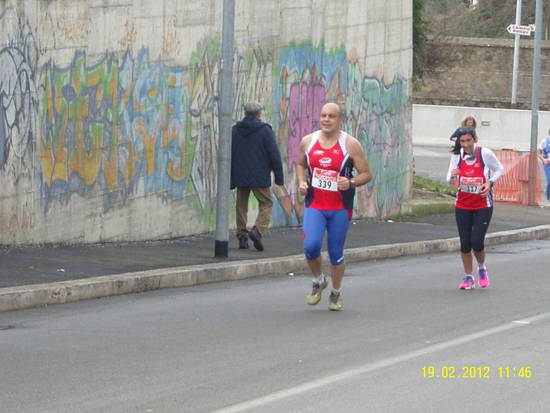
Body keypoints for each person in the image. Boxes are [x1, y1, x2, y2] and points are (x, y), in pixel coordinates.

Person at [296, 103, 372, 311]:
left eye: (331, 116)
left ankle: (336, 292)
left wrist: (351, 182)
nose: (326, 120)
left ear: (340, 120)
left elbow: (366, 173)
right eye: (323, 116)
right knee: (310, 247)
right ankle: (319, 280)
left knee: (335, 252)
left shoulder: (350, 144)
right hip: (315, 205)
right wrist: (302, 182)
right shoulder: (308, 142)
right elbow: (301, 164)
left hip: (340, 208)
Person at [446, 127, 504, 290]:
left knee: (477, 242)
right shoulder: (457, 156)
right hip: (462, 205)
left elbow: (500, 169)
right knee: (465, 244)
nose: (466, 145)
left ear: (474, 140)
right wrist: (453, 174)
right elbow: (449, 181)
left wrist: (490, 182)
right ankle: (468, 277)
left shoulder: (484, 153)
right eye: (462, 141)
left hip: (482, 205)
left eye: (468, 141)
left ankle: (482, 268)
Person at [231, 102, 284, 251]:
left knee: (241, 205)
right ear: (259, 114)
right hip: (259, 176)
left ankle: (242, 237)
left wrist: (231, 178)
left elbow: (230, 155)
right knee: (266, 203)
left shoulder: (235, 131)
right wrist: (279, 177)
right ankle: (257, 231)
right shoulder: (265, 131)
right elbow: (274, 155)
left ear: (245, 113)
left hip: (240, 175)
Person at [537, 129, 550, 204]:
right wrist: (543, 160)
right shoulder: (545, 141)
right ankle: (549, 197)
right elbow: (538, 152)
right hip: (547, 164)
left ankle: (548, 190)